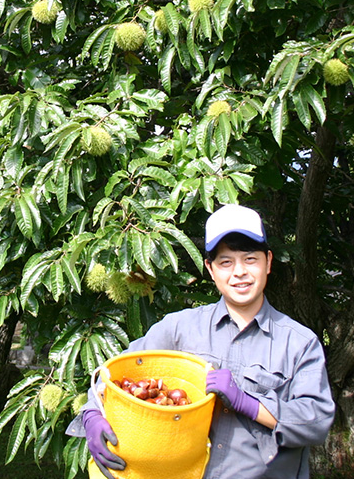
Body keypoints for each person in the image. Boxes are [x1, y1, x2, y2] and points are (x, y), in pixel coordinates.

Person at [70, 204, 335, 479]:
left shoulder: (299, 343)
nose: (240, 272)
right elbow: (116, 374)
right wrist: (92, 414)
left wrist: (248, 403)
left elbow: (315, 421)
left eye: (250, 259)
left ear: (268, 261)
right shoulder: (180, 328)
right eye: (226, 262)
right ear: (210, 268)